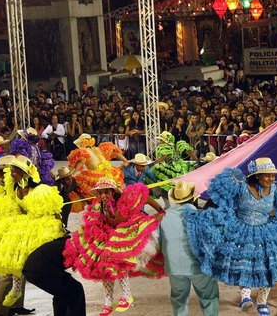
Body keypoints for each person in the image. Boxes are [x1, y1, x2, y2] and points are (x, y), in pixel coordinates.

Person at [185, 157, 277, 316]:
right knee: (244, 263)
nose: (271, 179)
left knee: (268, 266)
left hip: (267, 231)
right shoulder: (241, 186)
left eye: (272, 175)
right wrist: (204, 215)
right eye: (267, 175)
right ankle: (245, 296)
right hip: (241, 230)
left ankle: (262, 301)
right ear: (257, 175)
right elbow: (217, 199)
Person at [63, 179, 165, 316]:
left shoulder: (124, 200)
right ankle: (108, 302)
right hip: (106, 236)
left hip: (125, 233)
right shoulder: (99, 205)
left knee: (117, 261)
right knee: (103, 268)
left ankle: (127, 295)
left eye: (106, 192)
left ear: (112, 191)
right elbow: (93, 220)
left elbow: (145, 197)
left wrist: (160, 209)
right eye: (100, 193)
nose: (103, 195)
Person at [0, 155, 65, 307]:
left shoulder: (40, 191)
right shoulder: (14, 187)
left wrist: (60, 226)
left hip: (39, 225)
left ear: (25, 173)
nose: (11, 174)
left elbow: (53, 212)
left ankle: (14, 289)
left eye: (15, 171)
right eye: (12, 171)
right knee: (5, 250)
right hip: (22, 223)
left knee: (18, 255)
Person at [160, 181, 219, 316]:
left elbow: (157, 242)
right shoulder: (200, 216)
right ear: (193, 198)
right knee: (209, 298)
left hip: (174, 267)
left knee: (178, 300)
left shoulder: (162, 218)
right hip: (199, 267)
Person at [66, 133, 128, 212]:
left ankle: (100, 211)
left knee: (97, 196)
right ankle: (114, 208)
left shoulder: (84, 152)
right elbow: (115, 153)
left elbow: (79, 165)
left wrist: (71, 174)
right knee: (112, 192)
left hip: (97, 176)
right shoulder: (98, 149)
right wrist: (125, 161)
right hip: (109, 172)